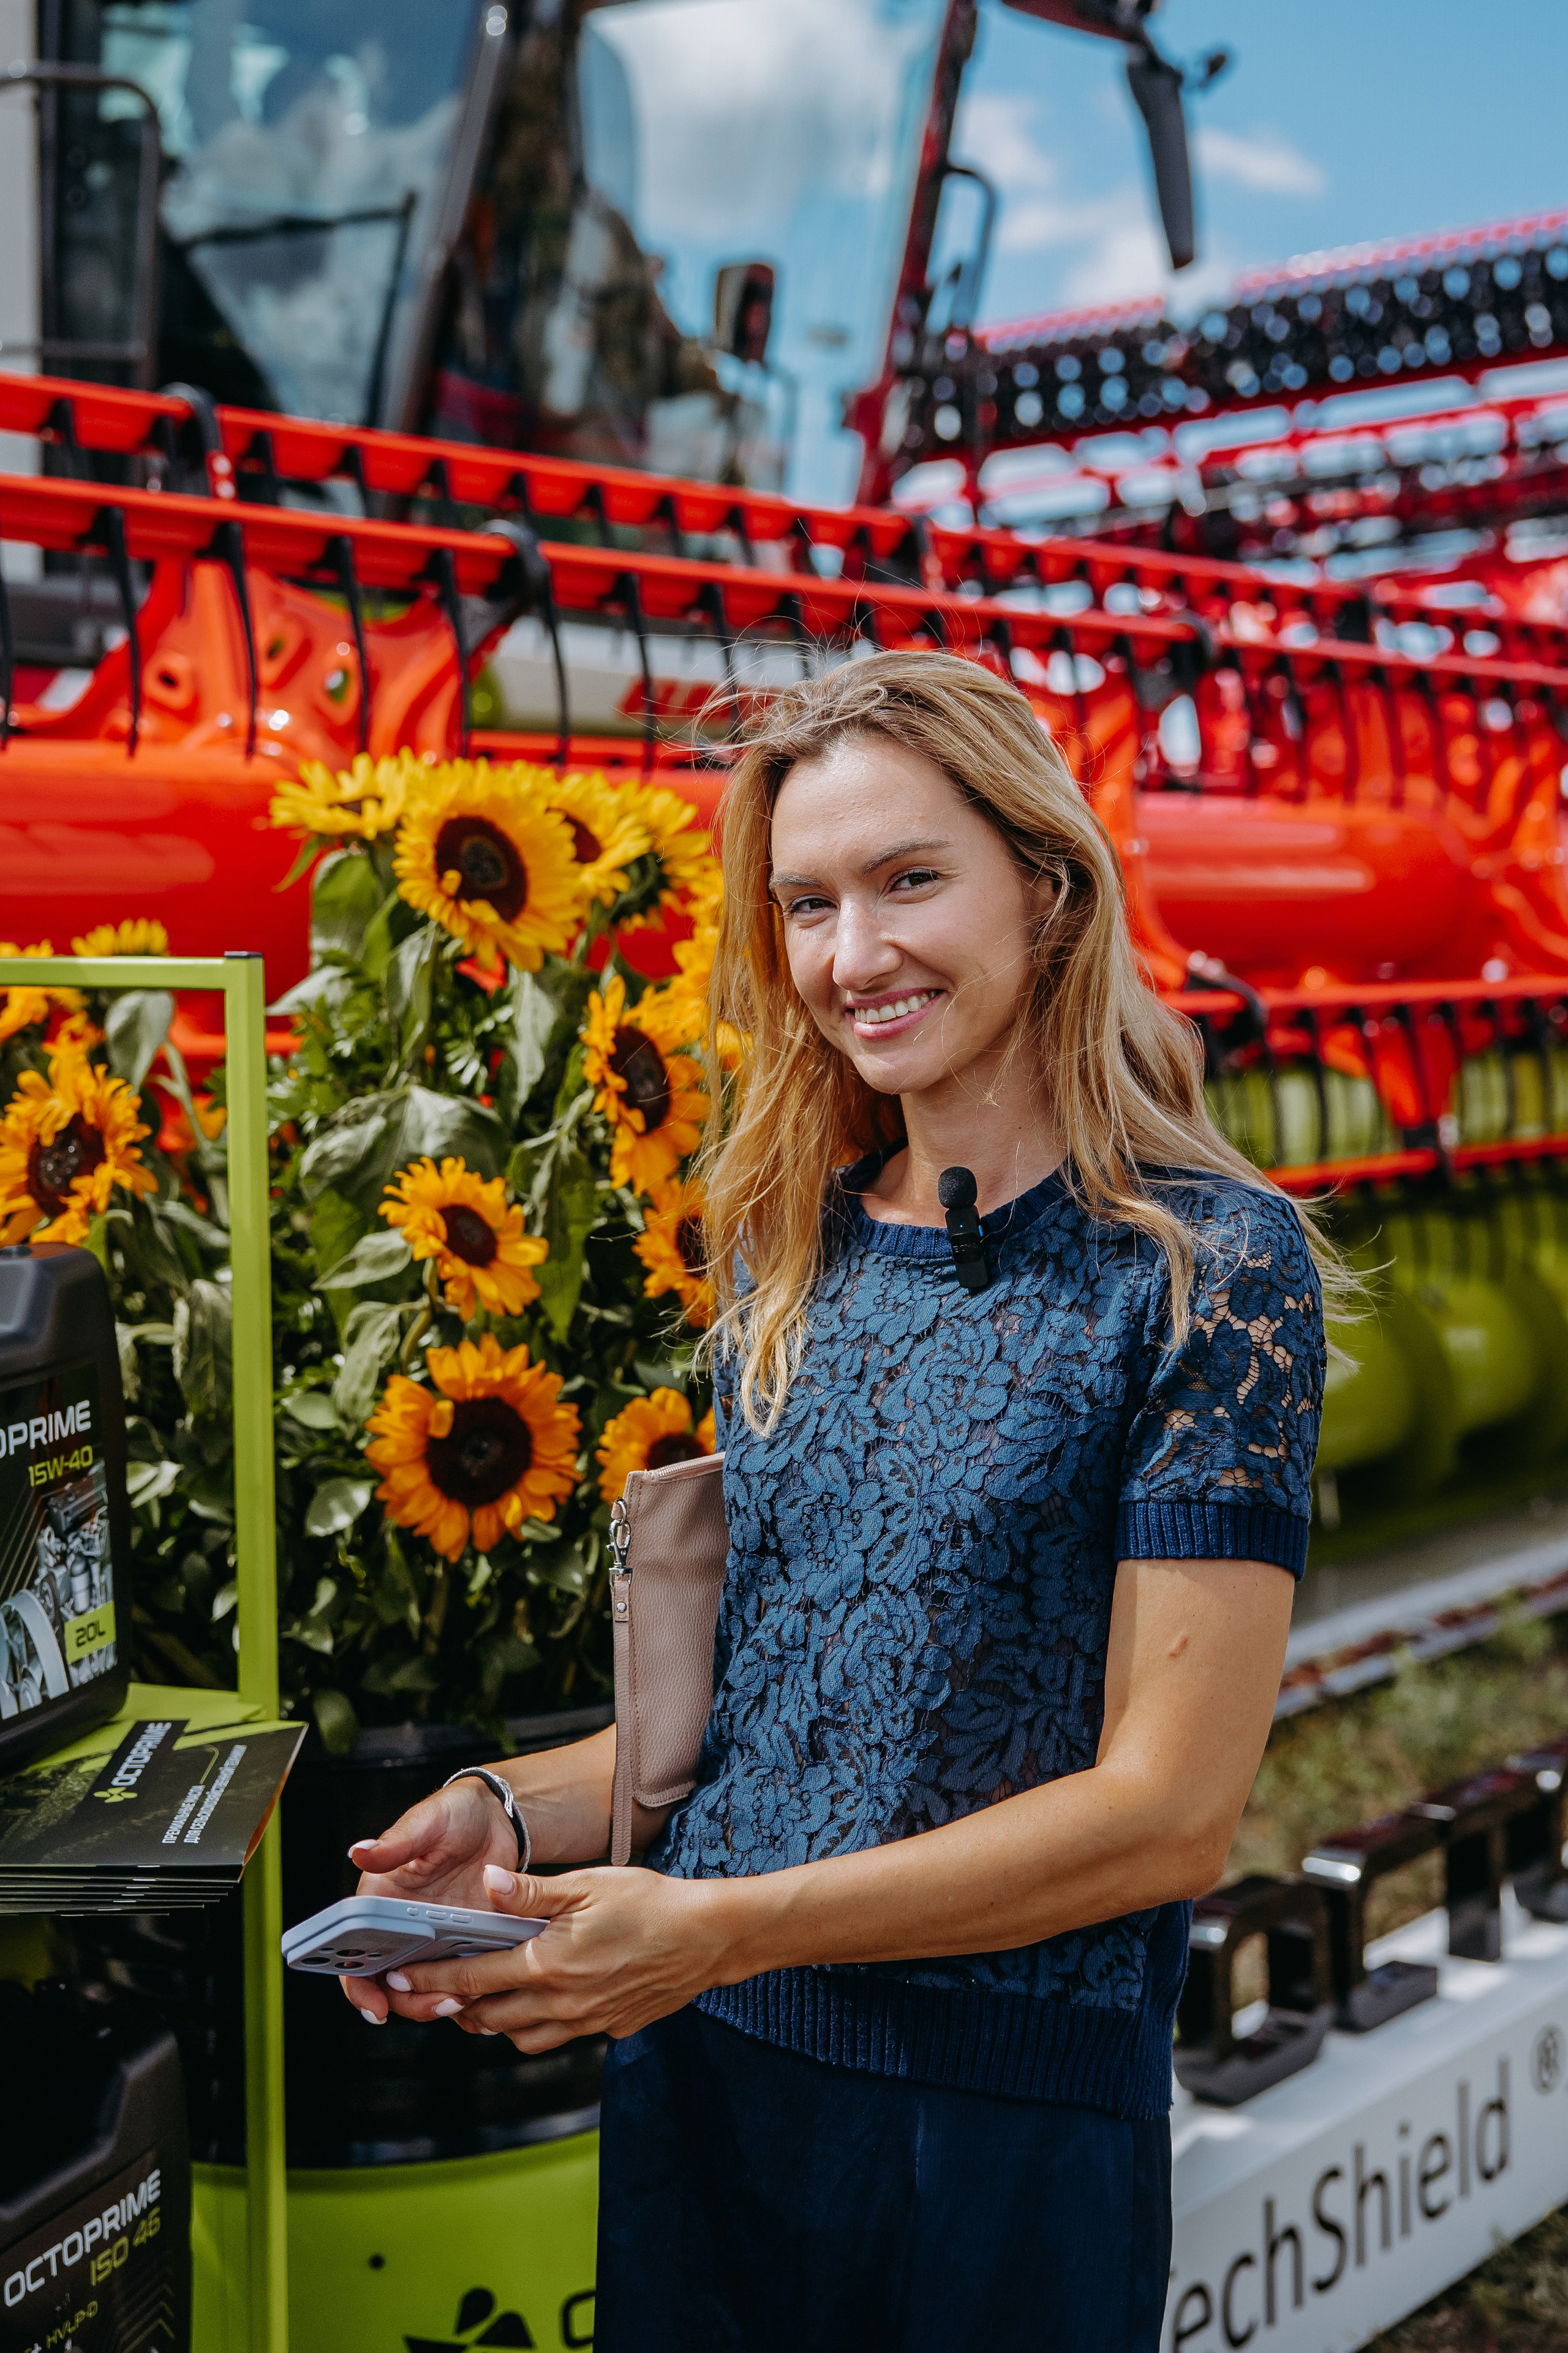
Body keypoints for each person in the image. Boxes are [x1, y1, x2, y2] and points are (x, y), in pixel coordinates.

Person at [343, 650, 1333, 2352]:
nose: (852, 955)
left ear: (1045, 882)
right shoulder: (791, 1242)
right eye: (808, 902)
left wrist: (709, 1930)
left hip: (1000, 2132)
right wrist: (509, 1811)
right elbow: (767, 1716)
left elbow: (1170, 1811)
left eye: (909, 880)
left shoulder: (1202, 1274)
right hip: (711, 2092)